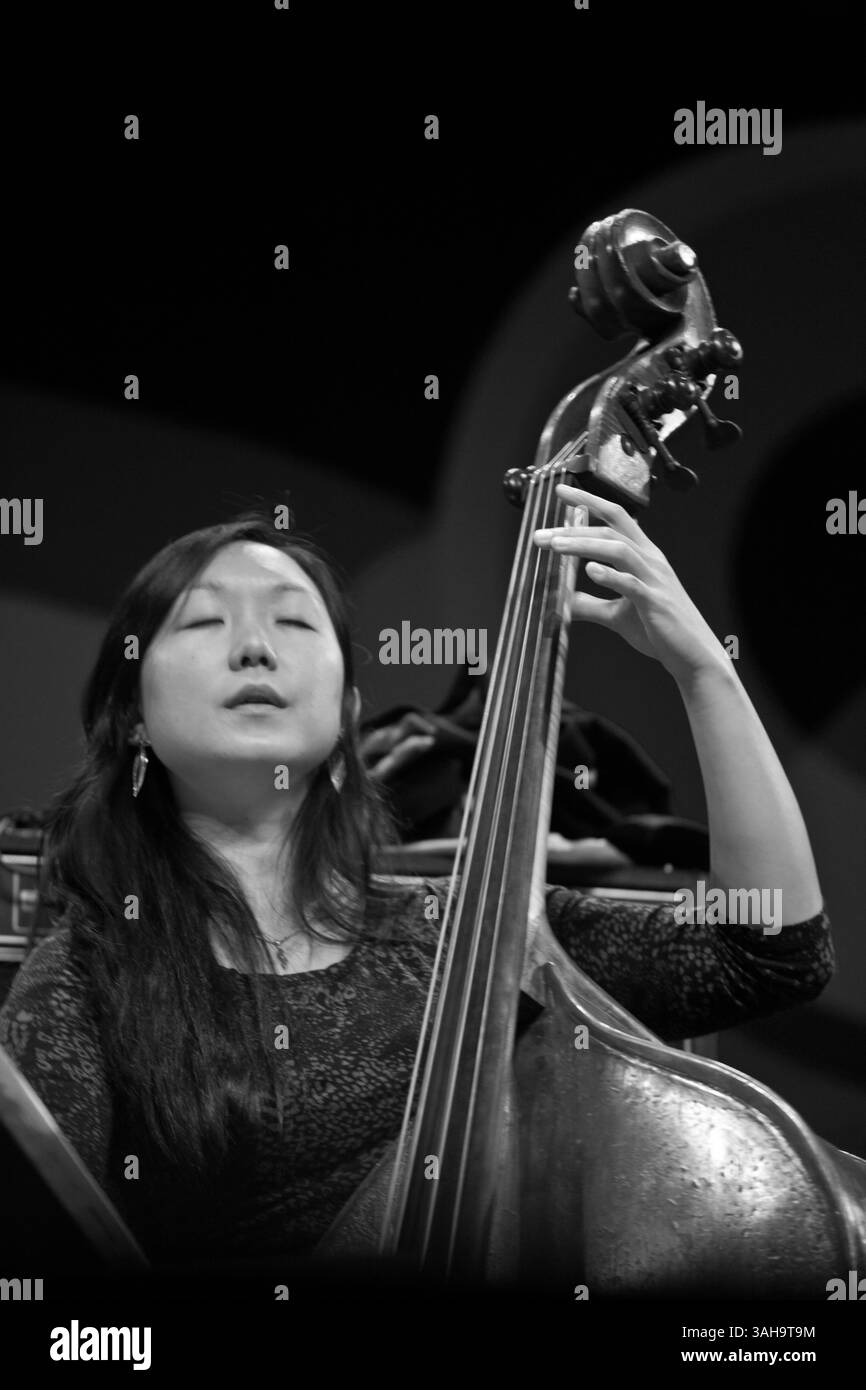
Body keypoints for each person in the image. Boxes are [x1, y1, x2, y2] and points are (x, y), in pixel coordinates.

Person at [0, 491, 834, 1277]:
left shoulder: (485, 934)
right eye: (205, 621)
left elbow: (768, 956)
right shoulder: (84, 977)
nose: (254, 646)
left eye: (294, 622)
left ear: (348, 711)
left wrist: (703, 673)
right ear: (136, 714)